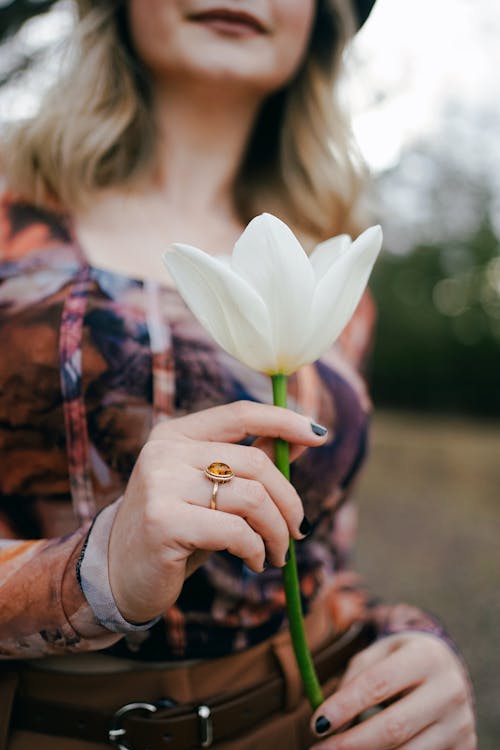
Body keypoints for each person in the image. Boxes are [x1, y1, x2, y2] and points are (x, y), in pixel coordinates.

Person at [0, 1, 476, 748]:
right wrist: (96, 567)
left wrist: (408, 643)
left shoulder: (333, 272)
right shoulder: (9, 224)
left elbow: (324, 562)